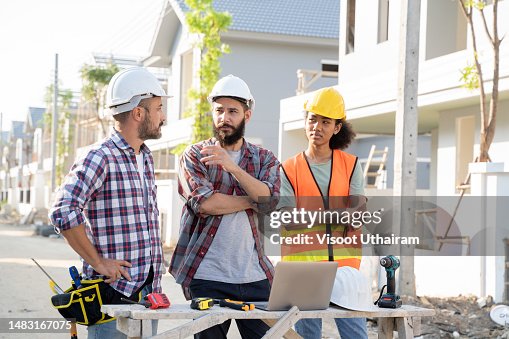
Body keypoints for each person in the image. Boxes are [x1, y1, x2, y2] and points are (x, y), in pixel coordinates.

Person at [49, 67, 168, 339]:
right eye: (159, 108)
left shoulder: (146, 157)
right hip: (113, 296)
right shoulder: (100, 156)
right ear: (138, 113)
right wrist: (98, 262)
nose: (163, 116)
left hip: (149, 295)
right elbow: (62, 210)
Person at [169, 74, 280, 339]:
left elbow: (271, 201)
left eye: (233, 111)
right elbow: (206, 203)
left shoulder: (264, 158)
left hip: (255, 276)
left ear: (247, 115)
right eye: (219, 110)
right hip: (207, 277)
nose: (224, 118)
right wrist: (253, 200)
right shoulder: (194, 155)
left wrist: (231, 166)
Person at [279, 87, 368, 339]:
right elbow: (287, 220)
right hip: (304, 271)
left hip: (346, 269)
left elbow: (357, 214)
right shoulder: (288, 168)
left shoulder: (351, 165)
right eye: (312, 119)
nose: (317, 126)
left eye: (325, 121)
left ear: (337, 128)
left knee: (356, 336)